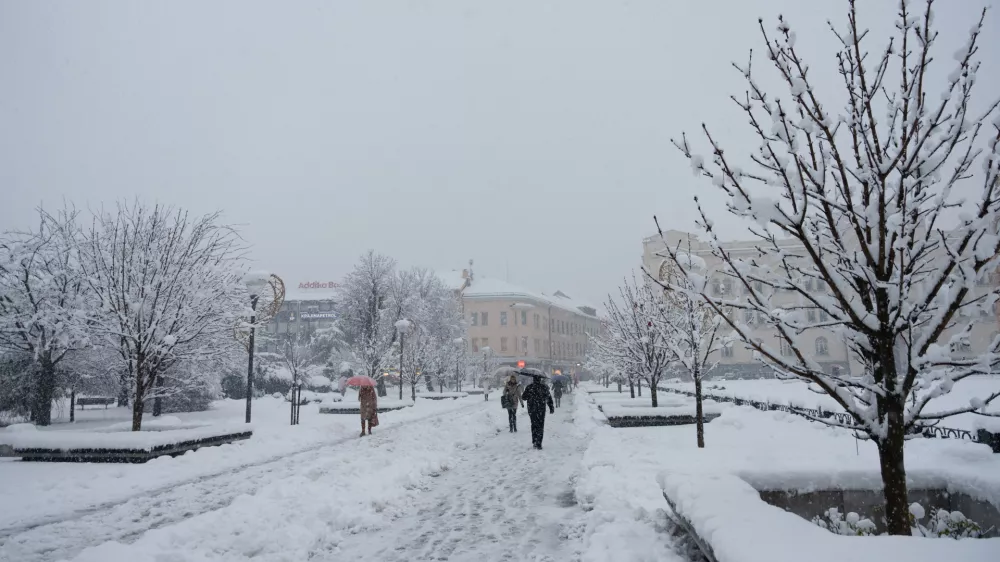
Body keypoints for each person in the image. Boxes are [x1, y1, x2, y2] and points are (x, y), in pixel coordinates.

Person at [521, 375, 555, 449]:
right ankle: (539, 442)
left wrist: (529, 394)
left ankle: (534, 440)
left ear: (533, 379)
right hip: (541, 409)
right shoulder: (544, 387)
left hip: (531, 409)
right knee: (540, 425)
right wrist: (551, 407)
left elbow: (524, 397)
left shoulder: (529, 387)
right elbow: (549, 398)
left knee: (534, 425)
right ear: (540, 380)